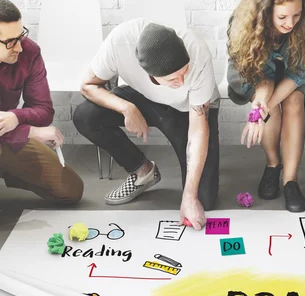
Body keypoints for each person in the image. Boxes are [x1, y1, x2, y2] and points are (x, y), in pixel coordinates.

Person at [74, 19, 220, 230]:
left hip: (188, 108)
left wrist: (189, 196)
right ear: (150, 74)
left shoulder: (197, 52)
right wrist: (127, 108)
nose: (180, 81)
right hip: (142, 97)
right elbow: (87, 86)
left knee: (203, 199)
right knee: (85, 116)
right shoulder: (119, 42)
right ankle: (143, 170)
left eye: (184, 72)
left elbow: (198, 131)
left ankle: (191, 193)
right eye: (172, 79)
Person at [226, 0, 305, 213]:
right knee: (268, 103)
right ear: (265, 10)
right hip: (253, 75)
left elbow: (299, 73)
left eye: (297, 15)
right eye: (282, 16)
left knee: (293, 101)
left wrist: (264, 107)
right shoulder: (242, 24)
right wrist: (262, 102)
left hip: (292, 75)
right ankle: (273, 164)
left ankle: (290, 180)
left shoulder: (303, 27)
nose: (290, 23)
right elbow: (255, 76)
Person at [0, 0, 83, 204]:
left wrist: (16, 117)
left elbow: (43, 110)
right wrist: (30, 131)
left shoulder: (29, 51)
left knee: (70, 189)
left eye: (20, 36)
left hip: (8, 136)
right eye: (10, 42)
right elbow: (34, 127)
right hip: (13, 134)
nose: (19, 47)